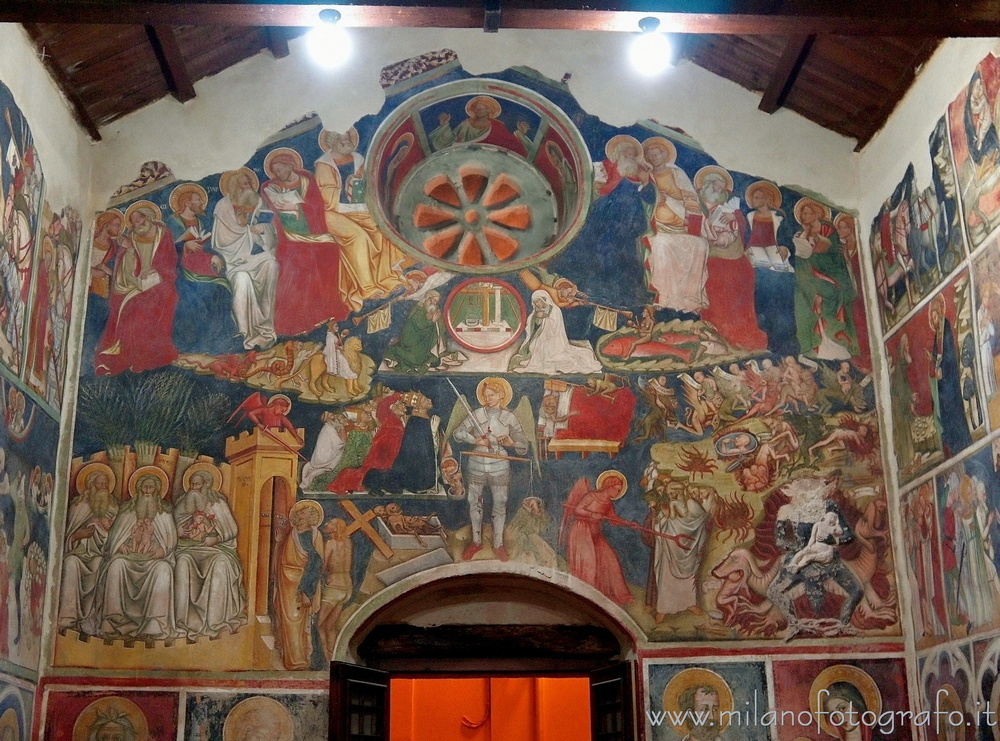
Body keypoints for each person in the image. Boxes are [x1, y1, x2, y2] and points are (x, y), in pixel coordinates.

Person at [260, 147, 347, 335]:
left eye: (282, 168)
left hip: (314, 232)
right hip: (289, 236)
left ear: (291, 165)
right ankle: (302, 319)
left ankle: (327, 309)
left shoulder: (307, 182)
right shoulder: (272, 187)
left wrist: (298, 205)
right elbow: (270, 204)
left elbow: (317, 207)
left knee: (331, 250)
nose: (280, 173)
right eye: (276, 172)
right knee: (298, 261)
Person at [314, 128, 403, 311]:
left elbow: (367, 183)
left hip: (357, 208)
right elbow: (322, 195)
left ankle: (387, 278)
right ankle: (366, 288)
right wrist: (344, 187)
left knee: (382, 228)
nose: (346, 141)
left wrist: (361, 186)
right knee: (358, 236)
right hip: (331, 213)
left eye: (348, 138)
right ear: (331, 141)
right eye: (341, 138)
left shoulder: (359, 159)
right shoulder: (324, 165)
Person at [94, 201, 179, 375]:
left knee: (163, 297)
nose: (137, 224)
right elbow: (124, 266)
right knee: (133, 308)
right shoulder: (131, 239)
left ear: (148, 217)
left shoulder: (163, 234)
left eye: (139, 219)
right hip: (136, 284)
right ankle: (132, 355)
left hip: (161, 282)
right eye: (133, 222)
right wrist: (133, 271)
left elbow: (169, 262)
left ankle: (150, 354)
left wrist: (157, 274)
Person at [96, 468, 177, 639]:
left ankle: (154, 622)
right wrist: (119, 546)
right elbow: (115, 536)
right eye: (145, 488)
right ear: (139, 489)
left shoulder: (165, 512)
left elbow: (171, 539)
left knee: (164, 570)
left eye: (151, 488)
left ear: (157, 490)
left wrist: (163, 550)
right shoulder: (127, 510)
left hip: (153, 560)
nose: (148, 492)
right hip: (128, 557)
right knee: (116, 566)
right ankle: (112, 620)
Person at [454, 378, 529, 561]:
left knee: (500, 502)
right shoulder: (477, 414)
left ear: (501, 396)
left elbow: (523, 446)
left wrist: (511, 443)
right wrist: (475, 441)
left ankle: (498, 545)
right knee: (475, 502)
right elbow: (458, 433)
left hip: (500, 464)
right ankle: (476, 541)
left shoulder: (509, 417)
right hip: (477, 463)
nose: (488, 399)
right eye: (485, 396)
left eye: (492, 395)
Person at [694, 166, 768, 350]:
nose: (718, 191)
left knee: (740, 281)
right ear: (704, 186)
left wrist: (734, 218)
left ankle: (739, 335)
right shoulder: (695, 204)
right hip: (708, 258)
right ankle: (716, 334)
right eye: (714, 186)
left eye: (721, 188)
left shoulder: (730, 210)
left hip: (733, 258)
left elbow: (739, 232)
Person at [173, 466, 246, 639]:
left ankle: (215, 621)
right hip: (187, 549)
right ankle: (181, 621)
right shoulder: (183, 503)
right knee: (181, 563)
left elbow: (232, 529)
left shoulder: (217, 503)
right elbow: (171, 527)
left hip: (216, 549)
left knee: (221, 564)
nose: (194, 488)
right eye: (192, 484)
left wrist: (216, 539)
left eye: (198, 485)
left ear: (206, 484)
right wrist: (178, 531)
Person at [211, 167, 279, 350]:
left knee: (271, 264)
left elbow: (271, 230)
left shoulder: (257, 202)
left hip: (255, 257)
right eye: (244, 184)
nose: (248, 187)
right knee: (242, 280)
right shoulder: (223, 208)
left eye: (249, 183)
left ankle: (265, 325)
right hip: (234, 262)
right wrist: (244, 231)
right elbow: (220, 242)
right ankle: (245, 333)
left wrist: (263, 229)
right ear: (234, 187)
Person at [641, 137, 709, 313]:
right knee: (662, 245)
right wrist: (655, 196)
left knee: (700, 244)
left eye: (658, 154)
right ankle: (665, 298)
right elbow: (641, 200)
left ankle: (690, 299)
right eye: (651, 155)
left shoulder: (676, 173)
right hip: (659, 229)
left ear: (665, 155)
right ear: (647, 158)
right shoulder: (647, 177)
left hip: (681, 228)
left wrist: (688, 220)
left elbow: (691, 199)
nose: (655, 158)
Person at [791, 198, 858, 360]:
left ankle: (837, 341)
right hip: (809, 277)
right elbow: (802, 258)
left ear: (817, 214)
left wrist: (821, 251)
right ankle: (817, 346)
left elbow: (835, 255)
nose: (804, 217)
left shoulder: (830, 232)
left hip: (831, 273)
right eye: (802, 214)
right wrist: (806, 235)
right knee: (806, 300)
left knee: (832, 293)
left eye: (807, 213)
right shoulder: (800, 234)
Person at [58, 465, 119, 634]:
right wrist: (76, 536)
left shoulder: (114, 508)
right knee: (70, 563)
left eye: (105, 484)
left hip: (101, 555)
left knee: (103, 567)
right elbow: (65, 536)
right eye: (99, 484)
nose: (102, 488)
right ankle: (68, 617)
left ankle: (92, 620)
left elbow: (118, 537)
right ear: (91, 486)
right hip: (78, 553)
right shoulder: (79, 506)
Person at [559, 470, 633, 606]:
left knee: (610, 559)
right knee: (589, 563)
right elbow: (577, 510)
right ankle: (587, 597)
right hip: (581, 531)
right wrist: (593, 515)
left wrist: (628, 523)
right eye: (616, 489)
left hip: (595, 533)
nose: (617, 493)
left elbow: (612, 519)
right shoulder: (591, 495)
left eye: (619, 491)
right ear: (608, 485)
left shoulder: (608, 503)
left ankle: (616, 594)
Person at [652, 481, 715, 620]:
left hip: (689, 545)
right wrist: (660, 524)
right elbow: (663, 521)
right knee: (667, 577)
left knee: (689, 577)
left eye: (671, 493)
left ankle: (689, 604)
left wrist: (681, 525)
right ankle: (663, 609)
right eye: (669, 494)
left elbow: (700, 519)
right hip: (670, 547)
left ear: (678, 491)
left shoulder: (692, 504)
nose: (670, 496)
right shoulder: (669, 504)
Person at [273, 499, 324, 670]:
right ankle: (290, 659)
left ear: (312, 517)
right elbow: (282, 558)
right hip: (286, 582)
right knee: (287, 621)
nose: (299, 514)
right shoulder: (293, 532)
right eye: (299, 512)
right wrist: (280, 542)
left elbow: (316, 563)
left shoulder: (314, 535)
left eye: (304, 512)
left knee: (296, 621)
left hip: (301, 583)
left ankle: (299, 660)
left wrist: (306, 591)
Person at [509, 290, 602, 374]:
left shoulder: (555, 310)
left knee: (546, 351)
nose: (536, 304)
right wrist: (537, 317)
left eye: (538, 301)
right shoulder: (536, 312)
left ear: (544, 299)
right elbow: (531, 325)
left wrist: (544, 318)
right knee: (534, 347)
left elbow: (555, 328)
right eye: (534, 302)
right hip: (541, 336)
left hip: (554, 339)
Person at [363, 390, 438, 494]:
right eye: (425, 399)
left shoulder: (421, 419)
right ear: (418, 406)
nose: (429, 400)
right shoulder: (416, 421)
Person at [928, 294, 973, 457]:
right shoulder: (936, 337)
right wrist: (933, 362)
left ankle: (961, 442)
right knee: (946, 415)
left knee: (954, 411)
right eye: (932, 317)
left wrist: (942, 370)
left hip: (950, 380)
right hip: (942, 384)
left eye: (935, 315)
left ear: (940, 314)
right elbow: (937, 356)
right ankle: (953, 445)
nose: (934, 320)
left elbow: (949, 355)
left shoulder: (946, 329)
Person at [429, 95, 527, 155]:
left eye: (482, 109)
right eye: (477, 109)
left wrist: (520, 133)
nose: (479, 111)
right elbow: (450, 143)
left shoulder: (497, 125)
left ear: (489, 110)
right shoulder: (466, 123)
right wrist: (444, 126)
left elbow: (509, 142)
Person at [382, 290, 447, 373]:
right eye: (433, 300)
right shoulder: (419, 309)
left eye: (436, 302)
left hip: (423, 341)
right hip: (412, 340)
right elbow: (421, 326)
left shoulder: (431, 308)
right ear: (427, 298)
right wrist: (433, 321)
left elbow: (437, 326)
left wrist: (437, 320)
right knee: (416, 361)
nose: (435, 303)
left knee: (434, 362)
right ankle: (393, 350)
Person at [318, 517, 352, 659]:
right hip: (347, 587)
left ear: (336, 527)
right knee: (330, 626)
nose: (326, 524)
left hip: (333, 588)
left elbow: (324, 565)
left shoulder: (331, 543)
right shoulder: (348, 542)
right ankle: (335, 658)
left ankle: (326, 659)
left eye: (330, 523)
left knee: (319, 625)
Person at [301, 412, 347, 489]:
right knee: (343, 452)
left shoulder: (330, 428)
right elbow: (340, 444)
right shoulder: (328, 429)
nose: (334, 416)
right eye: (332, 414)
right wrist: (342, 430)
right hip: (325, 457)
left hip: (327, 455)